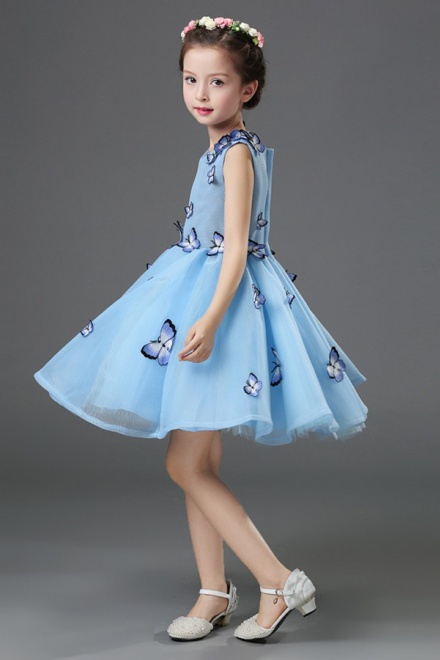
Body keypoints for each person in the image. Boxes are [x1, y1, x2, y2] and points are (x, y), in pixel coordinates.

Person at [34, 15, 368, 642]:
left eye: (217, 82)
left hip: (221, 306)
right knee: (201, 460)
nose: (201, 94)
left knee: (185, 465)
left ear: (248, 88)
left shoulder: (237, 152)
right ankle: (214, 592)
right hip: (203, 295)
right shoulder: (226, 147)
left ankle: (277, 581)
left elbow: (236, 246)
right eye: (191, 79)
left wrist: (210, 319)